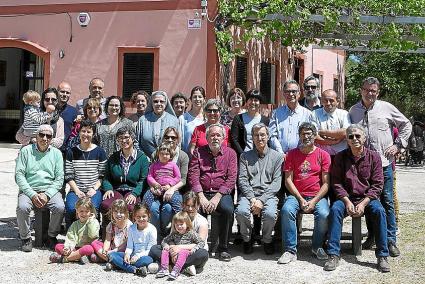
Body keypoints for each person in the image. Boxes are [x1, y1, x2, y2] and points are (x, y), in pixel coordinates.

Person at [349, 77, 412, 257]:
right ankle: (373, 236)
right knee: (369, 202)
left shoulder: (387, 107)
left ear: (378, 92)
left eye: (374, 91)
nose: (370, 93)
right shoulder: (353, 111)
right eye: (367, 90)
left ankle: (391, 240)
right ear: (361, 90)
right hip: (363, 167)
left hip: (384, 164)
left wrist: (399, 145)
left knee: (387, 201)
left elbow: (406, 125)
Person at [324, 124, 390, 273]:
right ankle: (333, 254)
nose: (355, 139)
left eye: (358, 136)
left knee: (380, 212)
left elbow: (378, 184)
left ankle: (382, 255)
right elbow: (336, 182)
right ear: (347, 139)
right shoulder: (340, 157)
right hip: (346, 198)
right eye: (351, 136)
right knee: (335, 210)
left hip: (368, 199)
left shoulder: (374, 157)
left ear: (364, 138)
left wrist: (364, 202)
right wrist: (347, 201)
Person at [278, 122, 331, 264]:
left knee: (324, 213)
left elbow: (326, 183)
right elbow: (288, 180)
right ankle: (290, 250)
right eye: (303, 134)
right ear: (299, 136)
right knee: (286, 210)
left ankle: (317, 246)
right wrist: (300, 199)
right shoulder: (291, 154)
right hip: (296, 195)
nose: (306, 136)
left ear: (314, 136)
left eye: (309, 133)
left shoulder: (323, 155)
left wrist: (314, 201)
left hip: (317, 195)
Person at [188, 124, 237, 261]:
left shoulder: (231, 153)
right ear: (207, 137)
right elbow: (193, 175)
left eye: (218, 135)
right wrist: (201, 196)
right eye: (212, 135)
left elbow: (231, 178)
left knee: (228, 209)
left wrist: (217, 197)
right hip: (201, 192)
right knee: (194, 210)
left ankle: (223, 247)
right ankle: (195, 246)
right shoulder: (198, 152)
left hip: (220, 193)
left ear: (223, 137)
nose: (215, 138)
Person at [15, 124, 65, 252]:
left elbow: (59, 179)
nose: (44, 138)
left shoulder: (57, 153)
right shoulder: (26, 151)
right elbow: (19, 175)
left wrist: (47, 194)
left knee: (59, 207)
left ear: (51, 138)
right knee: (22, 207)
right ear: (36, 136)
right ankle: (25, 238)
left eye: (48, 136)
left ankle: (51, 236)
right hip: (29, 190)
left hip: (49, 190)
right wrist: (32, 194)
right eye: (41, 135)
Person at [235, 123, 283, 255]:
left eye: (262, 134)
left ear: (268, 136)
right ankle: (247, 239)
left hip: (268, 195)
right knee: (241, 211)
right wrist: (252, 198)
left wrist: (261, 200)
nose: (259, 138)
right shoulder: (244, 157)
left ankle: (267, 240)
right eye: (256, 135)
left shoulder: (277, 157)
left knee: (270, 214)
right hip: (249, 194)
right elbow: (243, 180)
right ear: (252, 138)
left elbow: (276, 182)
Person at [149, 191, 209, 275]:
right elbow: (171, 237)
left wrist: (179, 248)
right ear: (182, 205)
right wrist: (173, 250)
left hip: (191, 252)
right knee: (154, 249)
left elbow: (200, 244)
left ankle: (169, 266)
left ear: (198, 206)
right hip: (175, 250)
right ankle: (183, 267)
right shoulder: (177, 217)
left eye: (193, 206)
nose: (190, 209)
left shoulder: (202, 221)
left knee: (203, 254)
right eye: (188, 206)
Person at [64, 120, 107, 229]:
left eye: (89, 132)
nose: (85, 134)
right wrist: (77, 191)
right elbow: (68, 175)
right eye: (83, 131)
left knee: (94, 207)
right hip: (76, 190)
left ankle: (93, 235)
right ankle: (71, 235)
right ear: (79, 132)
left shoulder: (100, 152)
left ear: (93, 134)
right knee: (71, 208)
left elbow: (102, 175)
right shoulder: (71, 152)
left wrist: (94, 189)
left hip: (93, 189)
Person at [101, 126, 149, 217]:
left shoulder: (142, 158)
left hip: (133, 190)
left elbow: (143, 180)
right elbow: (106, 177)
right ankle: (109, 230)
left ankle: (130, 230)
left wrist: (135, 194)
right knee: (106, 205)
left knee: (131, 207)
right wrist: (108, 189)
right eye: (120, 138)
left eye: (126, 137)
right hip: (116, 190)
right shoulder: (113, 157)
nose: (123, 141)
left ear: (133, 138)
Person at [143, 143, 182, 237]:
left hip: (168, 189)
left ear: (171, 155)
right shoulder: (154, 165)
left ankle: (177, 219)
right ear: (158, 154)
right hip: (157, 189)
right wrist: (155, 184)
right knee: (146, 198)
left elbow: (178, 177)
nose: (164, 156)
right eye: (162, 154)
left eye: (167, 154)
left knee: (177, 200)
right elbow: (149, 176)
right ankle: (146, 217)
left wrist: (170, 185)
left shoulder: (173, 165)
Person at [108, 204, 157, 276]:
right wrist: (127, 254)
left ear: (148, 216)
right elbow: (130, 245)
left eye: (144, 216)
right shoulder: (131, 228)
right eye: (138, 217)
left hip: (144, 256)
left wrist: (138, 256)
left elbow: (150, 249)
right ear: (134, 217)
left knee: (147, 260)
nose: (141, 219)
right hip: (132, 255)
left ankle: (120, 265)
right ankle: (134, 269)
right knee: (112, 255)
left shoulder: (152, 229)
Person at [269, 80, 313, 158]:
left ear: (299, 94)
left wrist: (298, 152)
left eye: (294, 91)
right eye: (288, 91)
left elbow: (310, 136)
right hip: (279, 157)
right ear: (283, 94)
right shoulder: (276, 113)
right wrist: (280, 153)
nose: (291, 94)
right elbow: (272, 136)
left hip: (300, 157)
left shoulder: (308, 114)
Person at [156, 212, 205, 280]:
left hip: (186, 253)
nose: (179, 227)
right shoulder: (174, 234)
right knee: (164, 250)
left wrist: (194, 248)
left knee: (183, 252)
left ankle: (176, 270)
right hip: (174, 253)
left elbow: (201, 242)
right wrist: (166, 245)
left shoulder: (191, 233)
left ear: (187, 224)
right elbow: (164, 241)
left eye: (181, 224)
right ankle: (164, 269)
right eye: (177, 225)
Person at [49, 197, 100, 264]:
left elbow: (93, 235)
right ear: (77, 211)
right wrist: (67, 248)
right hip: (76, 248)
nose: (84, 214)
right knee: (58, 246)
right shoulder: (75, 224)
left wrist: (90, 221)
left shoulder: (94, 222)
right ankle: (79, 257)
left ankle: (65, 258)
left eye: (87, 211)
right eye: (81, 211)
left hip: (89, 247)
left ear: (91, 212)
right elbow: (70, 237)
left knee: (88, 249)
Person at [136, 91, 180, 159]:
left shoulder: (174, 120)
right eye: (155, 101)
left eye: (161, 101)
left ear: (166, 103)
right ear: (151, 103)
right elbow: (136, 142)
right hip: (146, 162)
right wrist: (144, 158)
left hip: (168, 163)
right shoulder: (142, 120)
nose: (158, 104)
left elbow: (178, 143)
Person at [91, 199, 133, 264]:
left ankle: (106, 259)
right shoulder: (111, 225)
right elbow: (107, 240)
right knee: (94, 243)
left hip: (122, 251)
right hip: (111, 249)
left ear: (126, 213)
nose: (118, 214)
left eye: (121, 212)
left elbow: (126, 243)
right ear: (112, 212)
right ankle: (108, 259)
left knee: (119, 255)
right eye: (116, 212)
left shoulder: (129, 226)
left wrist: (114, 251)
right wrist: (105, 250)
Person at [230, 89, 270, 156]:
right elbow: (234, 140)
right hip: (243, 157)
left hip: (261, 157)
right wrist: (243, 155)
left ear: (260, 103)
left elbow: (268, 140)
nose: (253, 102)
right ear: (247, 102)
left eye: (256, 100)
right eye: (251, 99)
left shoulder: (265, 120)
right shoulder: (238, 118)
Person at [181, 86, 206, 152]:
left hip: (205, 158)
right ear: (191, 99)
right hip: (187, 157)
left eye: (200, 97)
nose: (197, 99)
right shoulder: (183, 118)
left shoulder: (207, 117)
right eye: (195, 97)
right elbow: (179, 141)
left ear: (204, 99)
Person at [56, 81, 78, 150]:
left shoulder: (74, 112)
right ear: (57, 92)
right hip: (49, 149)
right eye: (62, 92)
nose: (65, 94)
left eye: (67, 93)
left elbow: (76, 131)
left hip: (66, 150)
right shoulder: (49, 109)